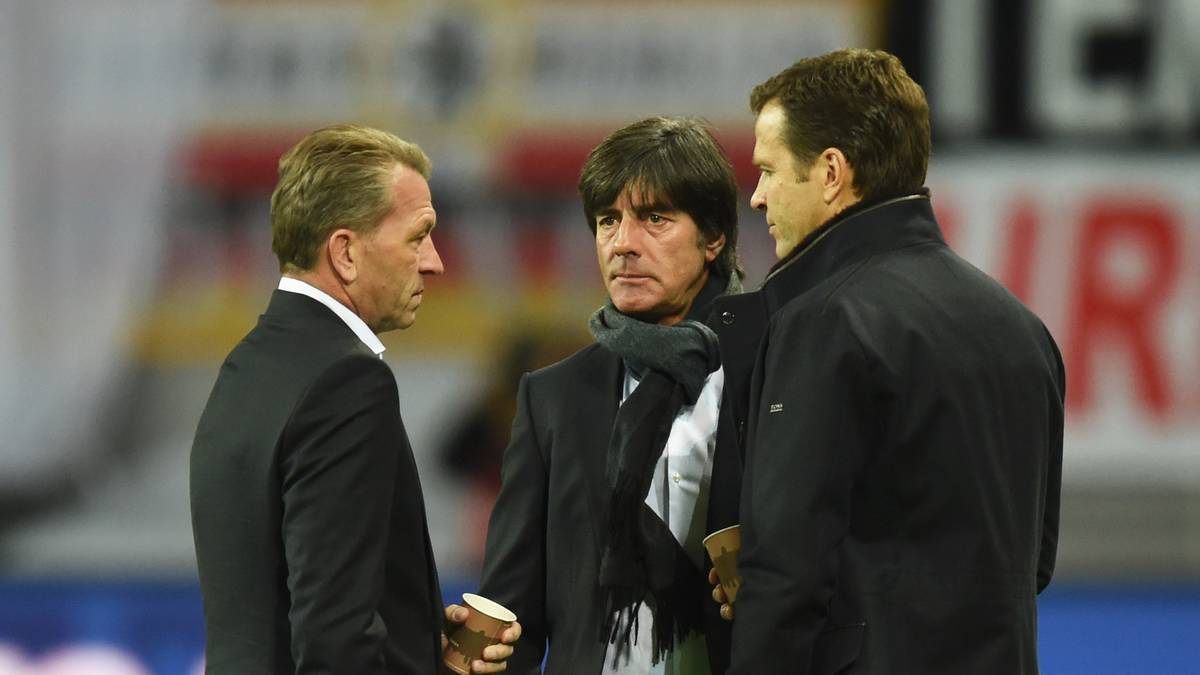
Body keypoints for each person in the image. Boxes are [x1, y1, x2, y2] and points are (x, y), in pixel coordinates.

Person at [711, 49, 1065, 674]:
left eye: (768, 170)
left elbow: (787, 572)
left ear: (830, 173)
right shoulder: (1024, 329)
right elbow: (1034, 561)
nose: (759, 197)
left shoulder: (824, 320)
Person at [189, 124, 519, 674]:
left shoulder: (250, 364)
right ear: (345, 252)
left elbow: (282, 599)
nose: (435, 262)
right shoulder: (348, 382)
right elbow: (334, 639)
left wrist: (415, 645)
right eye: (418, 237)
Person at [479, 117, 747, 675]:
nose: (624, 244)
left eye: (655, 218)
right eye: (608, 220)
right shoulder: (551, 397)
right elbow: (510, 613)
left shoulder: (773, 372)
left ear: (714, 237)